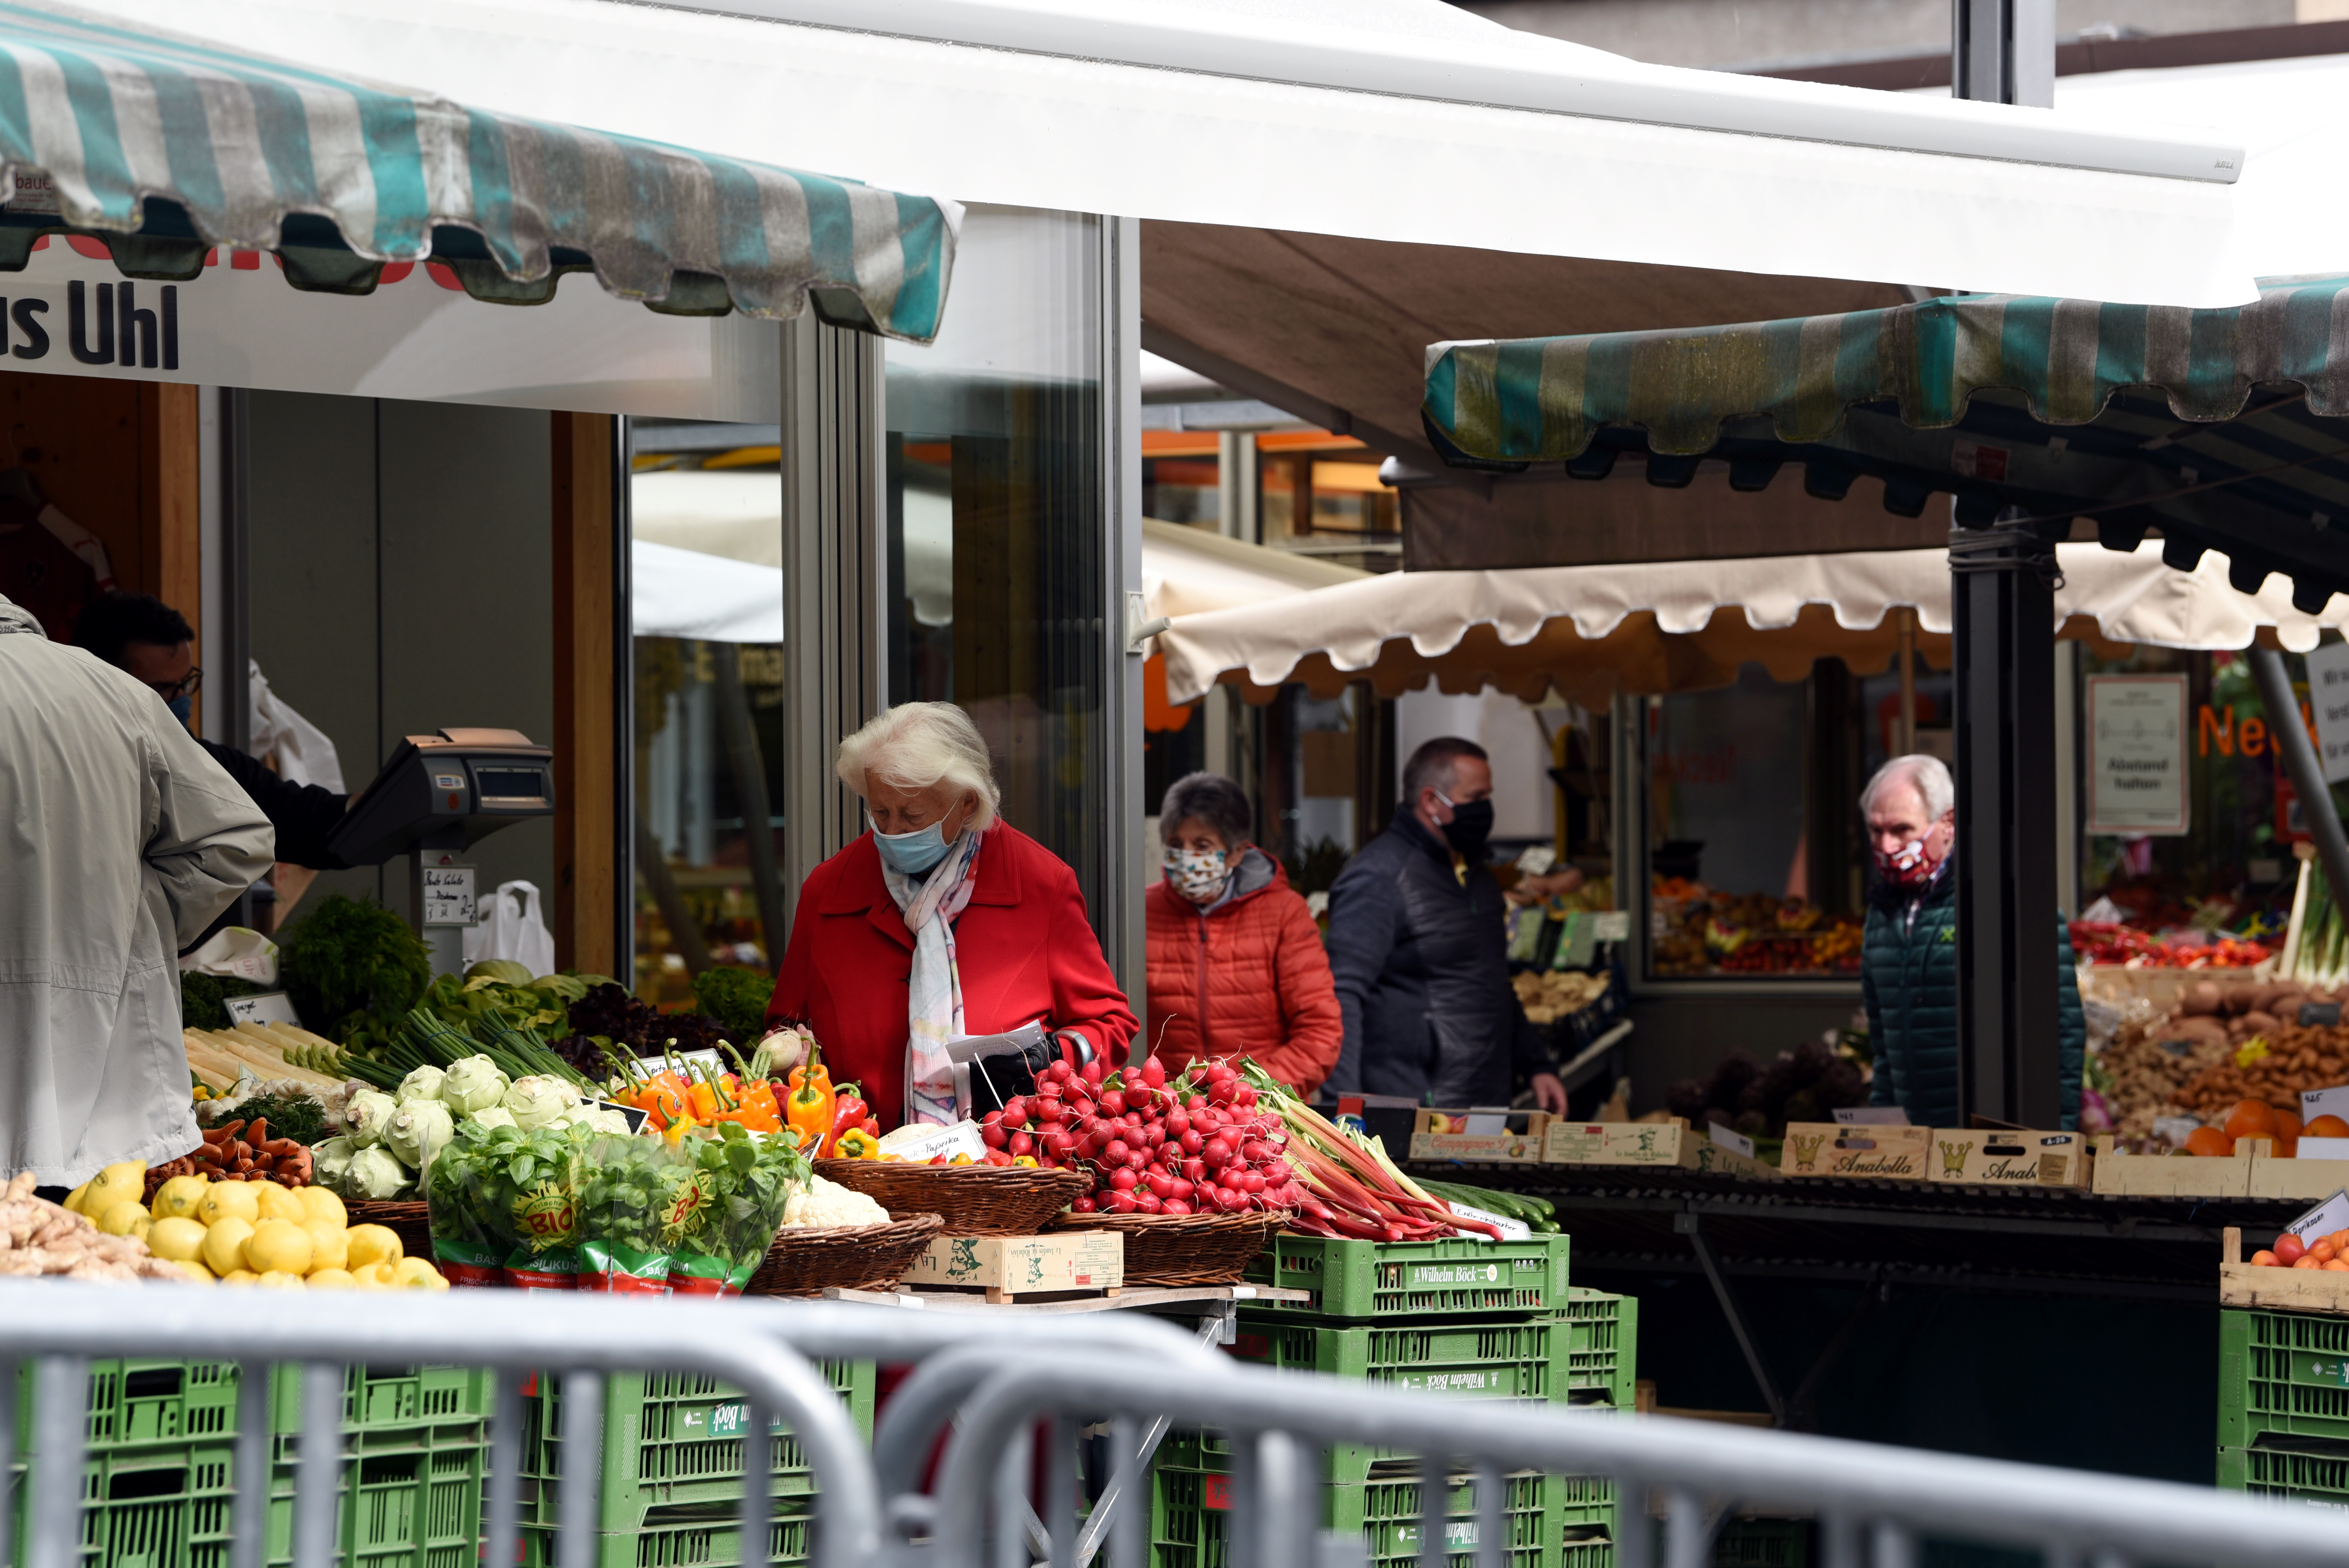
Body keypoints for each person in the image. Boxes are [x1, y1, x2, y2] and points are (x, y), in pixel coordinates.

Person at [0, 590, 274, 1190]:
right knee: (88, 1261)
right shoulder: (115, 694)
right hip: (105, 1114)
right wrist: (137, 924)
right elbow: (239, 840)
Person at [765, 702, 1138, 1131]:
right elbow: (786, 1024)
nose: (892, 830)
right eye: (880, 811)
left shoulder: (1042, 884)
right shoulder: (828, 890)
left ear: (966, 803)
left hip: (1005, 1162)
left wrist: (1051, 1057)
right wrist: (790, 1051)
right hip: (859, 1157)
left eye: (912, 815)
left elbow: (1110, 1025)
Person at [1324, 736, 1569, 1112]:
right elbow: (1342, 994)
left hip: (1485, 1101)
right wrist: (1344, 1104)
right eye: (1476, 797)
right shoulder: (1378, 877)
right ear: (1431, 801)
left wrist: (1536, 1064)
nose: (1487, 808)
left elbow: (1491, 979)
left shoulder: (1478, 877)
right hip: (1411, 1105)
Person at [1860, 753, 2084, 1129]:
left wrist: (2057, 1137)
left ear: (1948, 823)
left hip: (1992, 1139)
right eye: (1875, 830)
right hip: (1915, 1146)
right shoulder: (1882, 913)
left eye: (1902, 830)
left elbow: (2060, 1029)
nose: (1886, 845)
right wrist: (1881, 1132)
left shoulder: (2005, 898)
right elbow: (1884, 1047)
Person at [1144, 772, 1342, 1096]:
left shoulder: (1283, 913)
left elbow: (1320, 1032)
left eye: (1202, 845)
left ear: (1236, 852)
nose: (1186, 858)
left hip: (1262, 1113)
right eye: (1177, 845)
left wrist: (1249, 1093)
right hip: (1166, 1116)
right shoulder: (1141, 911)